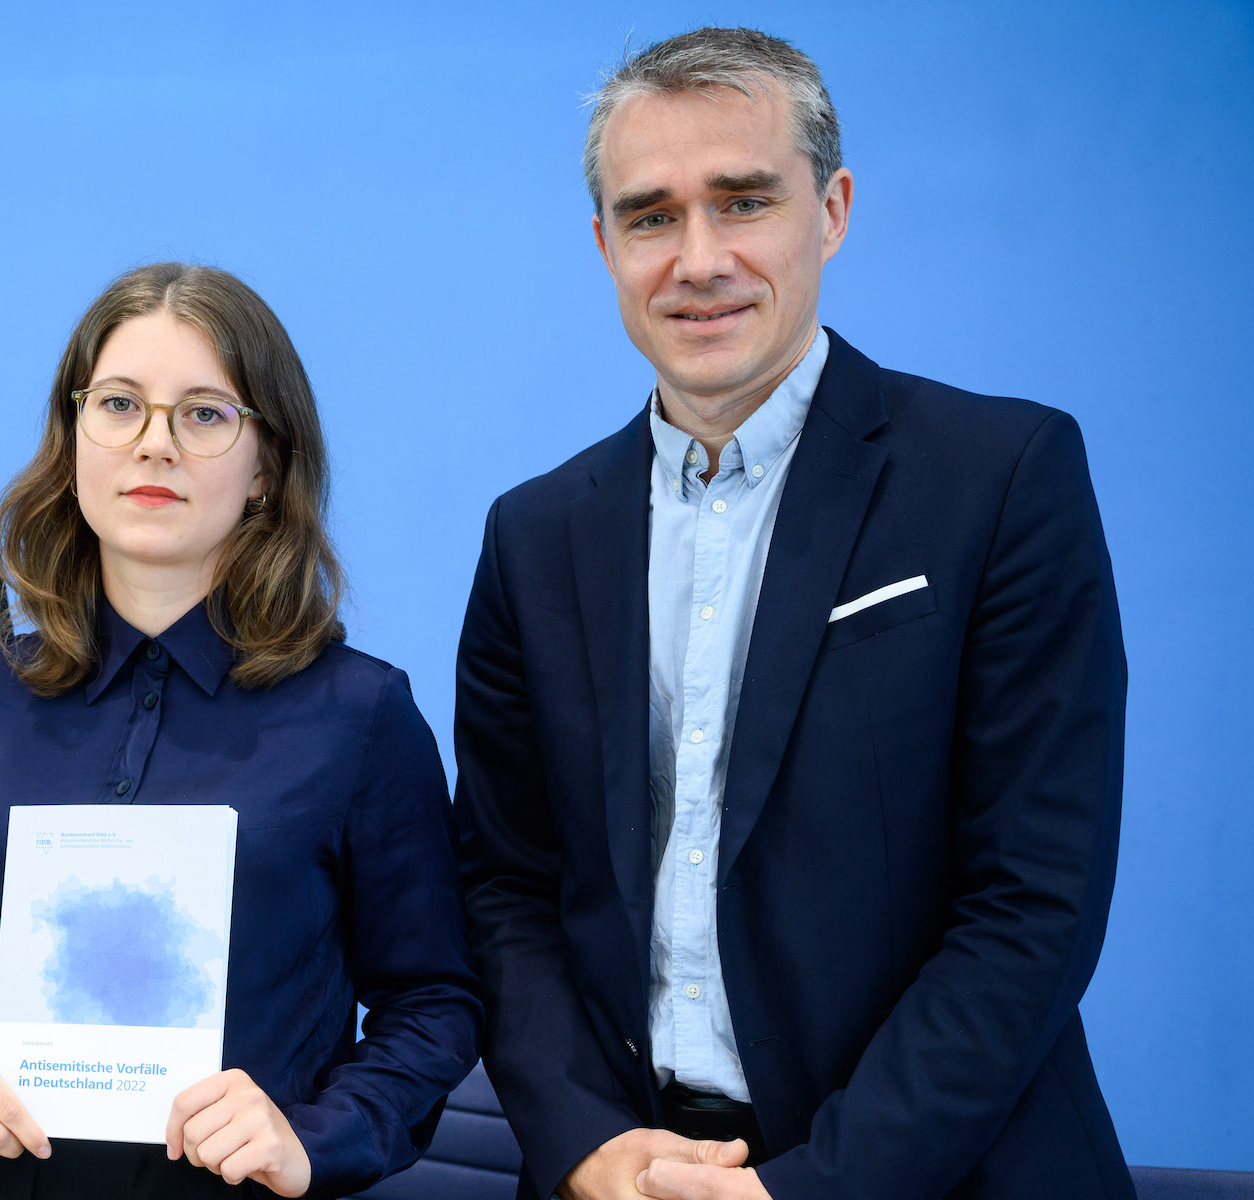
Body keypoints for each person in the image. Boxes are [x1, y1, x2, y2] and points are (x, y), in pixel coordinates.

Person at [454, 28, 1131, 1200]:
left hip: (933, 1175)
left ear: (833, 208)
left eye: (744, 200)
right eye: (652, 215)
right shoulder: (536, 533)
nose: (699, 258)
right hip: (627, 1177)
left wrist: (811, 1188)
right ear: (605, 242)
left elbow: (1033, 905)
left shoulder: (1002, 475)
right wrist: (585, 1141)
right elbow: (504, 886)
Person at [0, 263, 482, 1198]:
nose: (154, 445)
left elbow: (432, 1004)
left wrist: (316, 1135)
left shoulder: (359, 715)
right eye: (119, 405)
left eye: (204, 415)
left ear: (266, 469)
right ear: (74, 438)